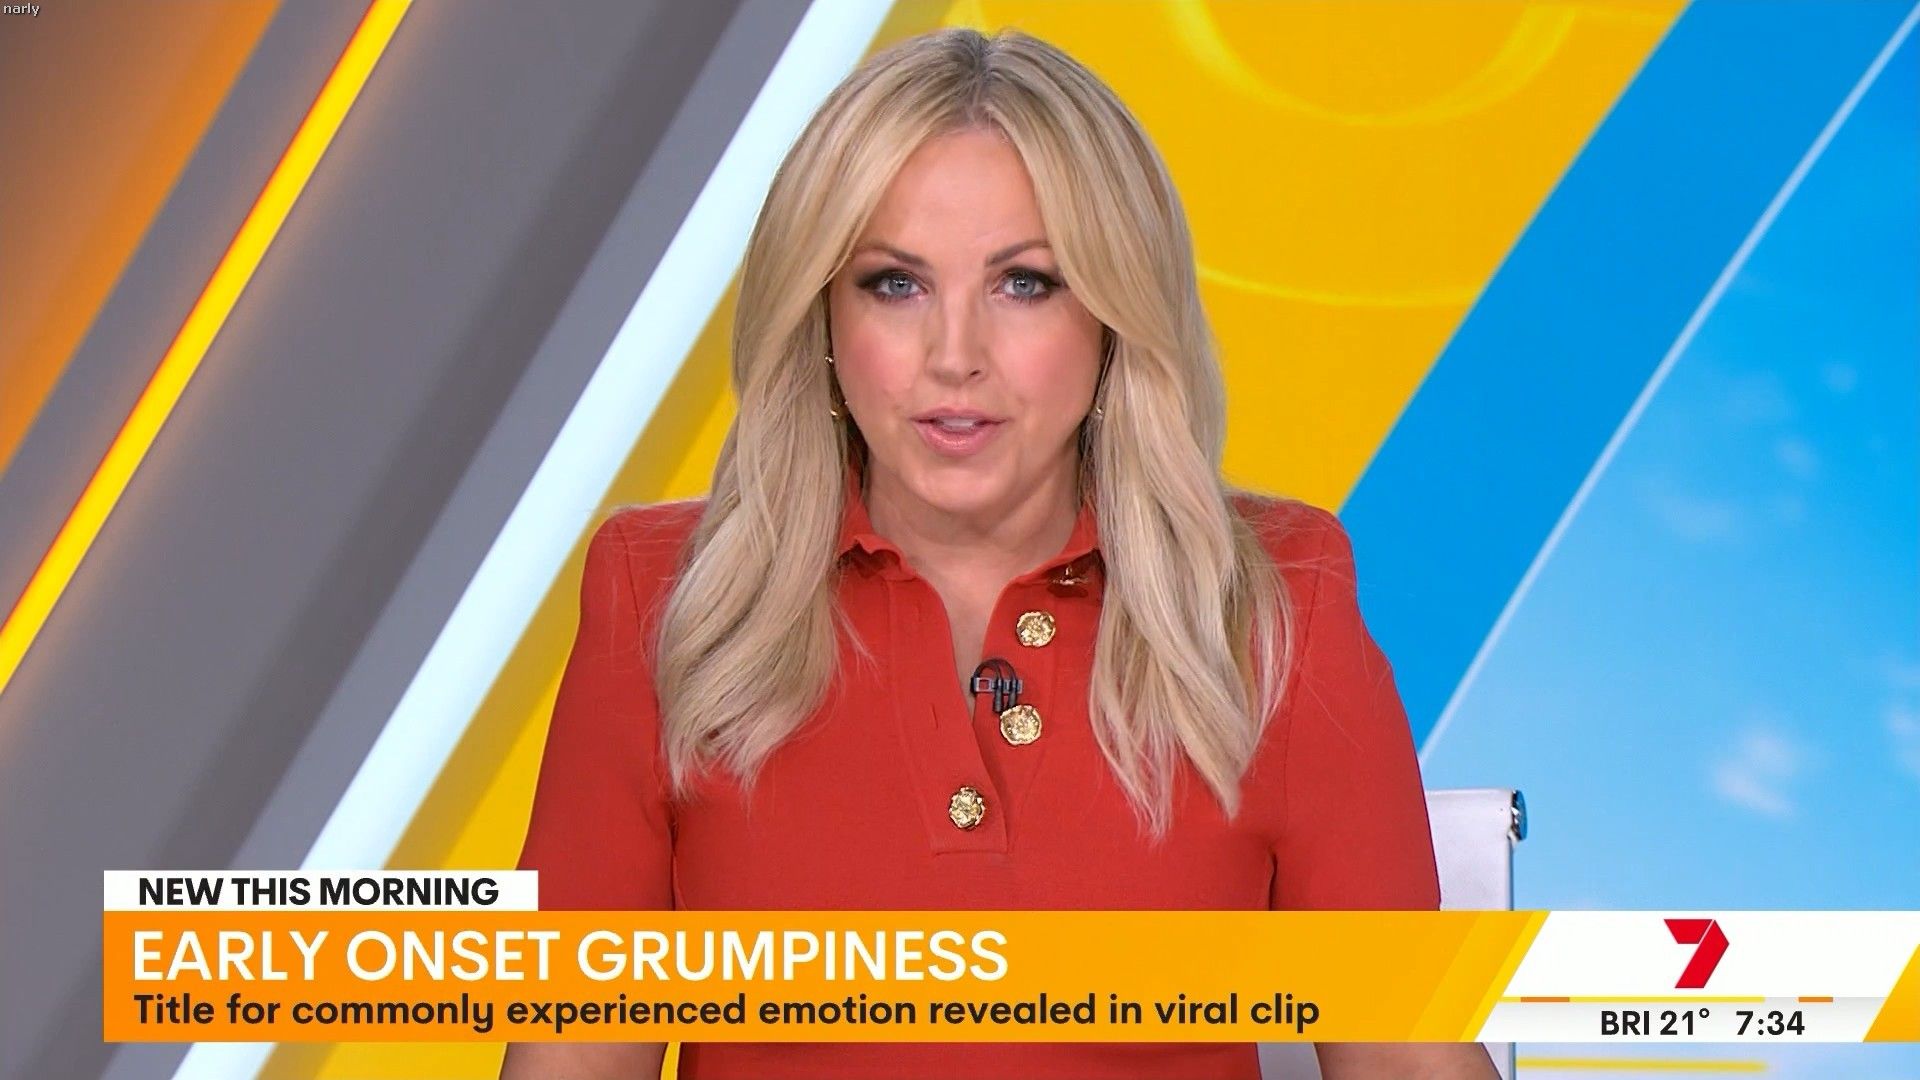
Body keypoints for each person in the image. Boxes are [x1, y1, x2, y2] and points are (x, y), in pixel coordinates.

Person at [501, 25, 1495, 1080]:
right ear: (822, 316)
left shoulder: (1275, 595)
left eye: (1024, 284)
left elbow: (1406, 1056)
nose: (956, 357)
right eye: (895, 284)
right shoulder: (661, 593)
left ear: (1114, 316)